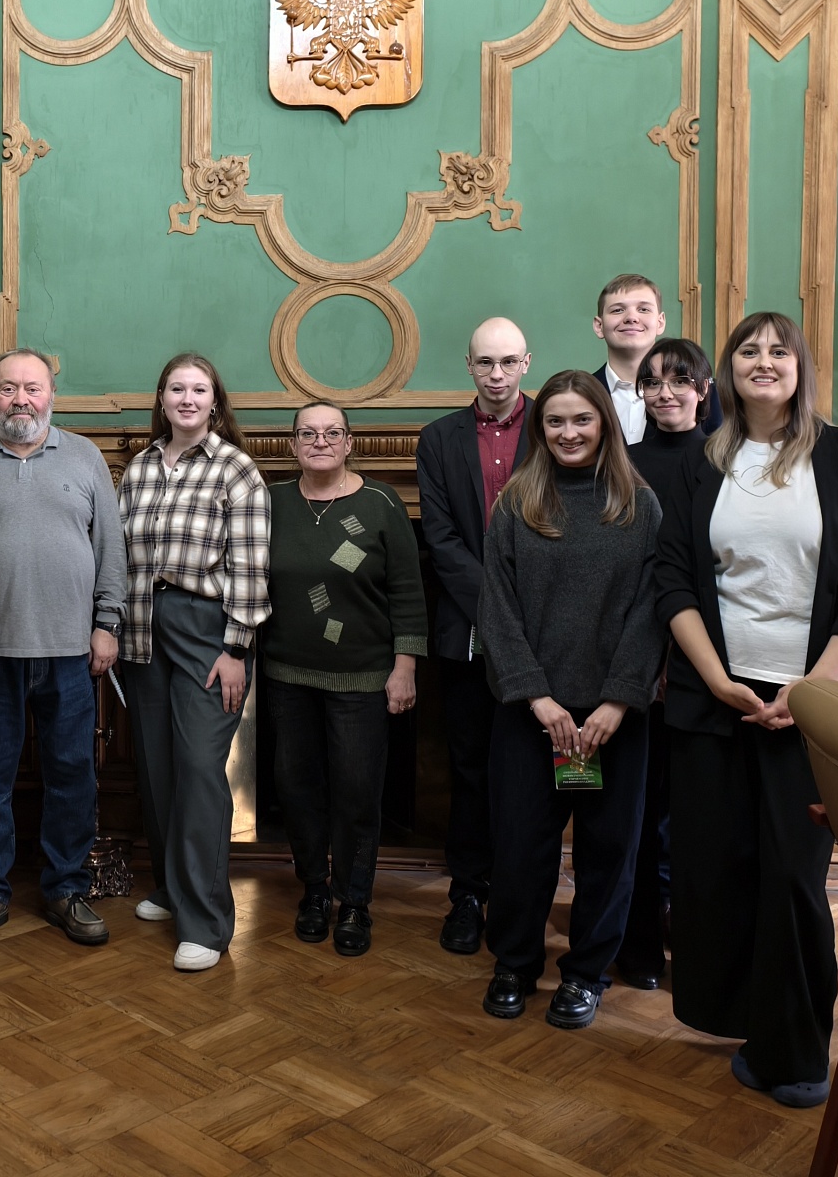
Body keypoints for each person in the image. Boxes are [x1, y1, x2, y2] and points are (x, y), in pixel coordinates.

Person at [656, 312, 838, 1108]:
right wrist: (716, 678)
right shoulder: (701, 463)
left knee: (794, 878)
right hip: (717, 702)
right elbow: (673, 580)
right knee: (720, 870)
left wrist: (809, 690)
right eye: (748, 350)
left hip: (818, 705)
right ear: (727, 372)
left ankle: (796, 1056)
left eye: (779, 350)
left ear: (802, 368)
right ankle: (745, 1027)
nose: (763, 361)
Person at [477, 370, 664, 1031]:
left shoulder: (640, 507)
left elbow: (651, 613)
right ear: (539, 429)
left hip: (613, 720)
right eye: (555, 421)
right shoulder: (516, 505)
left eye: (582, 419)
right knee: (521, 847)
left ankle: (586, 973)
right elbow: (497, 611)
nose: (568, 432)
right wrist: (538, 698)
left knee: (608, 852)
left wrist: (616, 702)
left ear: (604, 424)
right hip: (534, 717)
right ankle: (514, 963)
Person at [0, 348, 126, 949]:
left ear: (51, 396)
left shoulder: (85, 456)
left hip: (71, 651)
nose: (21, 399)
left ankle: (66, 887)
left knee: (72, 775)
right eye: (8, 388)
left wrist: (107, 623)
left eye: (32, 388)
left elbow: (111, 546)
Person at [117, 353, 270, 973]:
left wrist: (236, 649)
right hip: (141, 625)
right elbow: (119, 552)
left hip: (207, 628)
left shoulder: (235, 468)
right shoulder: (140, 467)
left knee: (200, 768)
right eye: (176, 388)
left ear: (214, 401)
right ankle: (170, 886)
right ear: (162, 399)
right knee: (156, 766)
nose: (187, 398)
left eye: (198, 389)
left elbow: (251, 566)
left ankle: (205, 921)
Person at [259, 402, 427, 957]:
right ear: (292, 445)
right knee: (296, 788)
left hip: (363, 677)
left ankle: (355, 901)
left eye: (332, 432)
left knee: (357, 792)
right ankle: (314, 890)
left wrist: (405, 666)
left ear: (350, 442)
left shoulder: (381, 503)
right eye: (308, 433)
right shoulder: (271, 501)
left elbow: (408, 590)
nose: (320, 441)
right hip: (287, 675)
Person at [415, 317, 532, 956]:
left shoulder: (558, 425)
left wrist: (526, 610)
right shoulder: (439, 438)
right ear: (469, 366)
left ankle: (521, 895)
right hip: (469, 630)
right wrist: (496, 608)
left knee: (531, 771)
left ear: (526, 364)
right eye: (485, 362)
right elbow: (440, 538)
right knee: (470, 767)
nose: (496, 374)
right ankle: (467, 894)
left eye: (508, 361)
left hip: (545, 630)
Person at [613, 335, 715, 987]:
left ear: (704, 391)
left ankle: (699, 946)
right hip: (639, 657)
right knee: (639, 812)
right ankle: (639, 945)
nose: (665, 392)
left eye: (679, 380)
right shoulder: (623, 463)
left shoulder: (728, 461)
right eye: (652, 382)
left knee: (698, 813)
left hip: (708, 661)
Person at [591, 275, 670, 445]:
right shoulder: (581, 394)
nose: (631, 317)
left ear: (660, 322)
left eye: (644, 309)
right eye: (618, 310)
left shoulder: (693, 395)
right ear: (599, 326)